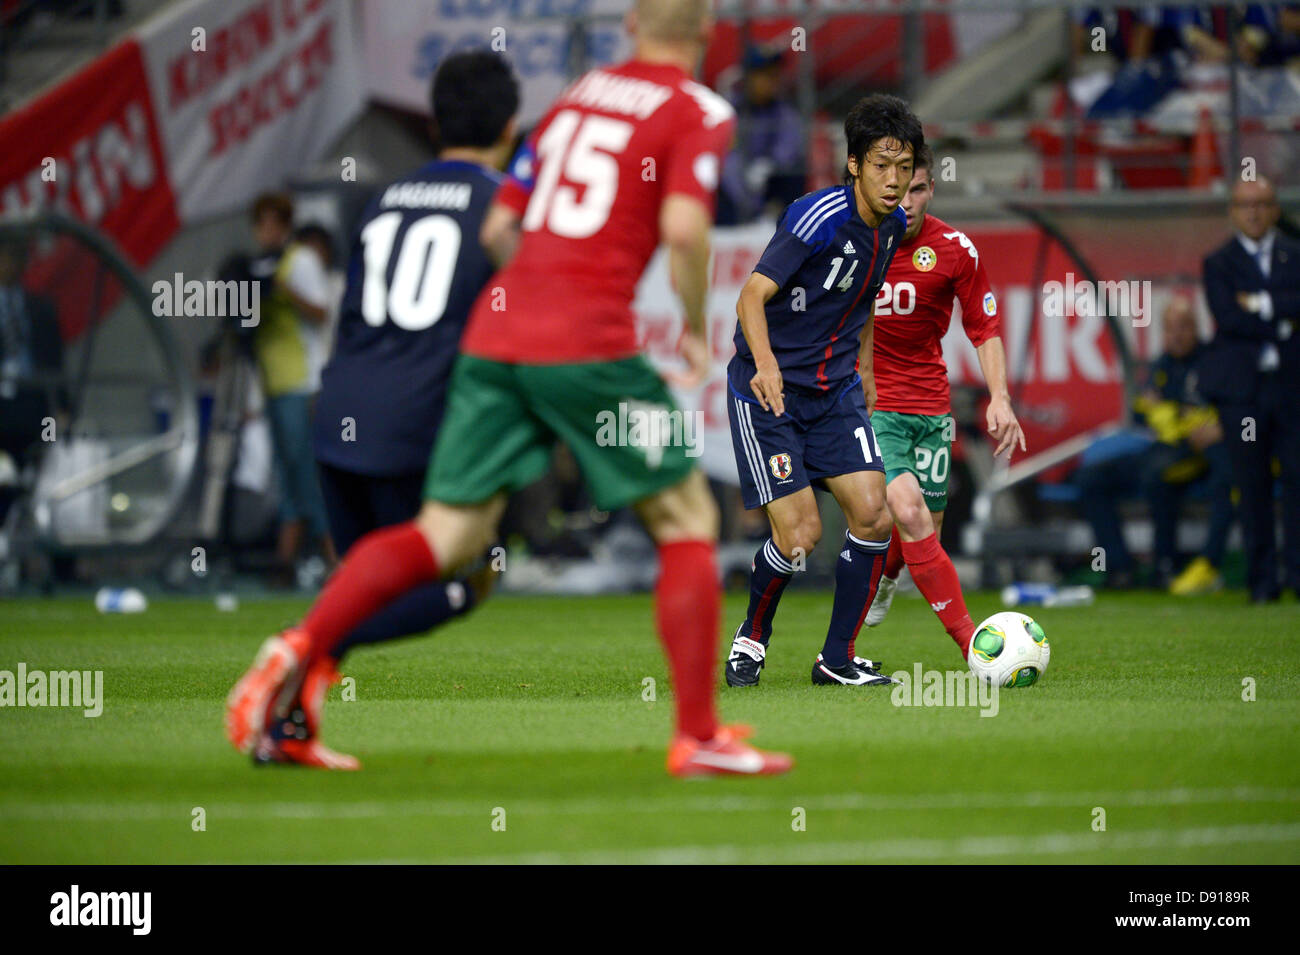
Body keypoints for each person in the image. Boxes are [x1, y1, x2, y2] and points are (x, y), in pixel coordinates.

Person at [227, 0, 792, 777]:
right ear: (704, 35)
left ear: (630, 26)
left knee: (446, 535)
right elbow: (689, 231)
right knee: (686, 512)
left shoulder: (572, 101)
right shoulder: (695, 108)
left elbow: (500, 231)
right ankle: (698, 735)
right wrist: (694, 330)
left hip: (494, 343)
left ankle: (299, 644)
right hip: (587, 343)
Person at [233, 51, 522, 768]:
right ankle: (300, 644)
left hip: (340, 415)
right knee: (469, 574)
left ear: (432, 122)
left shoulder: (380, 203)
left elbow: (353, 317)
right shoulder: (503, 206)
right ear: (512, 126)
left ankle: (290, 726)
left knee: (358, 577)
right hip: (419, 426)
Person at [722, 93, 921, 689]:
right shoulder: (815, 217)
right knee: (801, 534)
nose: (894, 180)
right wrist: (766, 366)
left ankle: (837, 659)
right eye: (881, 165)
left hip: (834, 394)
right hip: (771, 394)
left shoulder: (893, 228)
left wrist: (866, 368)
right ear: (854, 164)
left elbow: (862, 303)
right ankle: (754, 634)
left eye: (905, 168)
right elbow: (751, 296)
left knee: (874, 514)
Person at [859, 145, 1025, 658]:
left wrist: (999, 397)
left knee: (924, 527)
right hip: (872, 401)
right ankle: (974, 645)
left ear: (931, 189)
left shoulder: (955, 250)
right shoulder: (856, 240)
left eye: (918, 189)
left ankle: (887, 577)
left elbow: (985, 327)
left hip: (930, 407)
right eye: (898, 187)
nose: (905, 200)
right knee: (906, 510)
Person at [1073, 296, 1233, 592]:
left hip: (1198, 455)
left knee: (1157, 476)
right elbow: (1140, 411)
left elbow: (1210, 416)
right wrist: (1170, 413)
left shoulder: (1213, 362)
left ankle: (1164, 566)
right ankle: (1119, 568)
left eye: (1184, 327)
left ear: (1196, 328)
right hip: (1161, 449)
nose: (1177, 335)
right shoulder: (1162, 364)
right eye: (1170, 329)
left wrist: (1170, 412)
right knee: (1091, 478)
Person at [1200, 175, 1300, 602]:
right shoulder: (1218, 262)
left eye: (1261, 204)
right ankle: (1262, 582)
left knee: (1298, 482)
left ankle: (1297, 577)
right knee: (1252, 485)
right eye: (1245, 204)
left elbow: (1253, 313)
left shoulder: (1294, 254)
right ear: (1233, 211)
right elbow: (1229, 317)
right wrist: (1283, 315)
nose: (1254, 212)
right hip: (1244, 395)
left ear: (1275, 208)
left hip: (1292, 389)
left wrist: (1259, 304)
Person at [246, 192, 335, 584]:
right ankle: (285, 562)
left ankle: (336, 560)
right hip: (274, 383)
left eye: (272, 224)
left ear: (284, 226)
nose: (265, 232)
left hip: (303, 381)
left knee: (306, 474)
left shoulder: (300, 261)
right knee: (286, 475)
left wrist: (284, 293)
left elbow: (320, 312)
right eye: (260, 224)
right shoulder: (258, 267)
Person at [716, 43, 807, 225]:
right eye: (765, 75)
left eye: (775, 75)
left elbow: (789, 146)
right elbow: (727, 158)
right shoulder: (728, 110)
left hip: (769, 183)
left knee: (795, 174)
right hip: (736, 187)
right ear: (748, 77)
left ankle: (781, 225)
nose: (772, 82)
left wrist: (768, 166)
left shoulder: (784, 113)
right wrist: (746, 185)